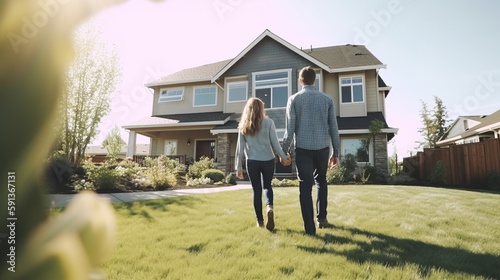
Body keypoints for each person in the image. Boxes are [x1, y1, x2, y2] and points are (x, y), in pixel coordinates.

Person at [282, 66, 340, 236]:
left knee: (305, 187)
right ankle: (322, 219)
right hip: (323, 148)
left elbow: (289, 129)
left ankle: (309, 229)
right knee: (321, 181)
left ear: (300, 81)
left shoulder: (294, 99)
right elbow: (334, 128)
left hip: (303, 150)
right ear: (314, 80)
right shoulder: (327, 99)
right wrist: (336, 152)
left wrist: (283, 151)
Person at [235, 97, 291, 231]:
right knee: (267, 186)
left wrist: (238, 167)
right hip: (268, 161)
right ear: (261, 109)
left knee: (256, 190)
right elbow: (275, 144)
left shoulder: (243, 126)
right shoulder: (269, 122)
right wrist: (284, 157)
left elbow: (240, 148)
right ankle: (269, 207)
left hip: (252, 162)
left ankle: (260, 221)